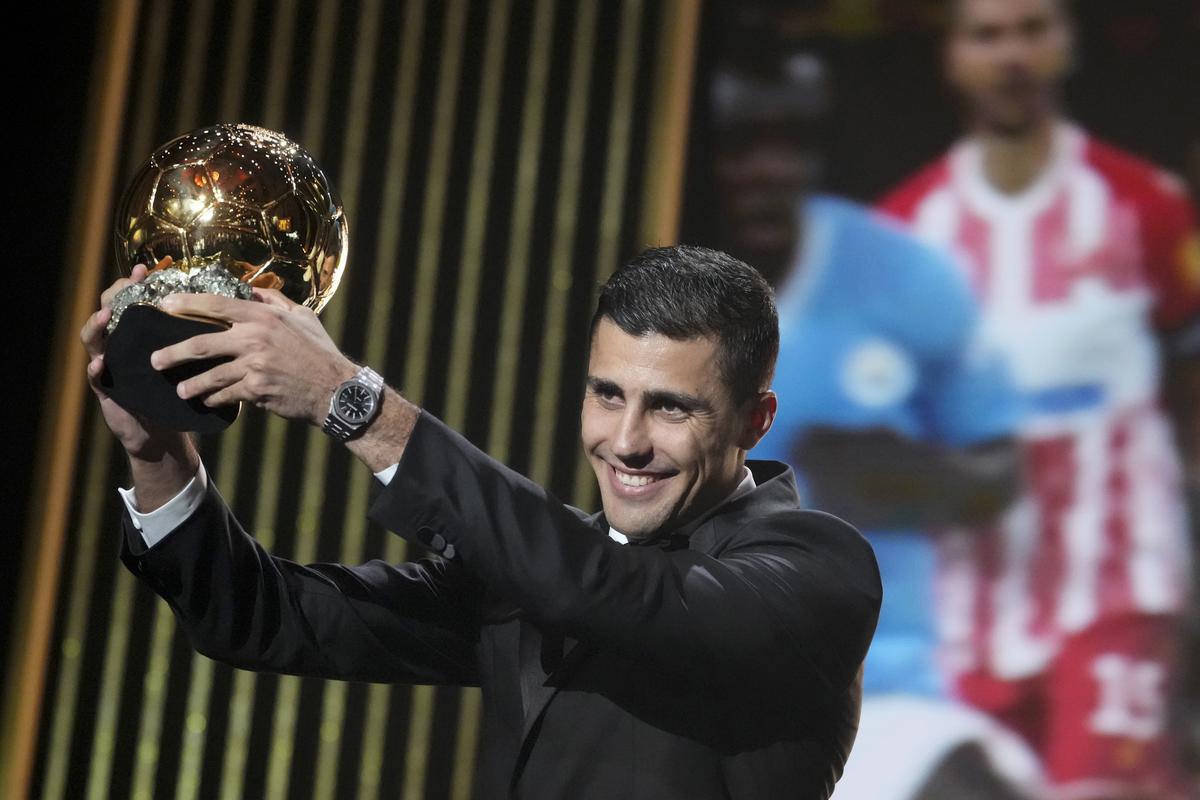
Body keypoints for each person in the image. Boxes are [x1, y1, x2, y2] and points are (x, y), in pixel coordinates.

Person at [80, 246, 882, 799]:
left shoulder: (820, 570)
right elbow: (263, 619)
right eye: (607, 394)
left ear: (756, 420)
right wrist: (157, 453)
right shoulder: (540, 571)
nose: (626, 441)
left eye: (669, 407)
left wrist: (354, 404)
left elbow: (610, 593)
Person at [879, 1, 1200, 797]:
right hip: (966, 614)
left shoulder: (1148, 205)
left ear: (1068, 43)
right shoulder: (907, 234)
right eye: (987, 35)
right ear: (951, 57)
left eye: (1032, 29)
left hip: (1116, 588)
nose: (1012, 54)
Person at [706, 50, 1039, 800]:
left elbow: (1000, 475)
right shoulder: (634, 303)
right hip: (685, 704)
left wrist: (903, 478)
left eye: (790, 141)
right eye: (739, 145)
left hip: (876, 692)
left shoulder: (906, 278)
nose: (768, 168)